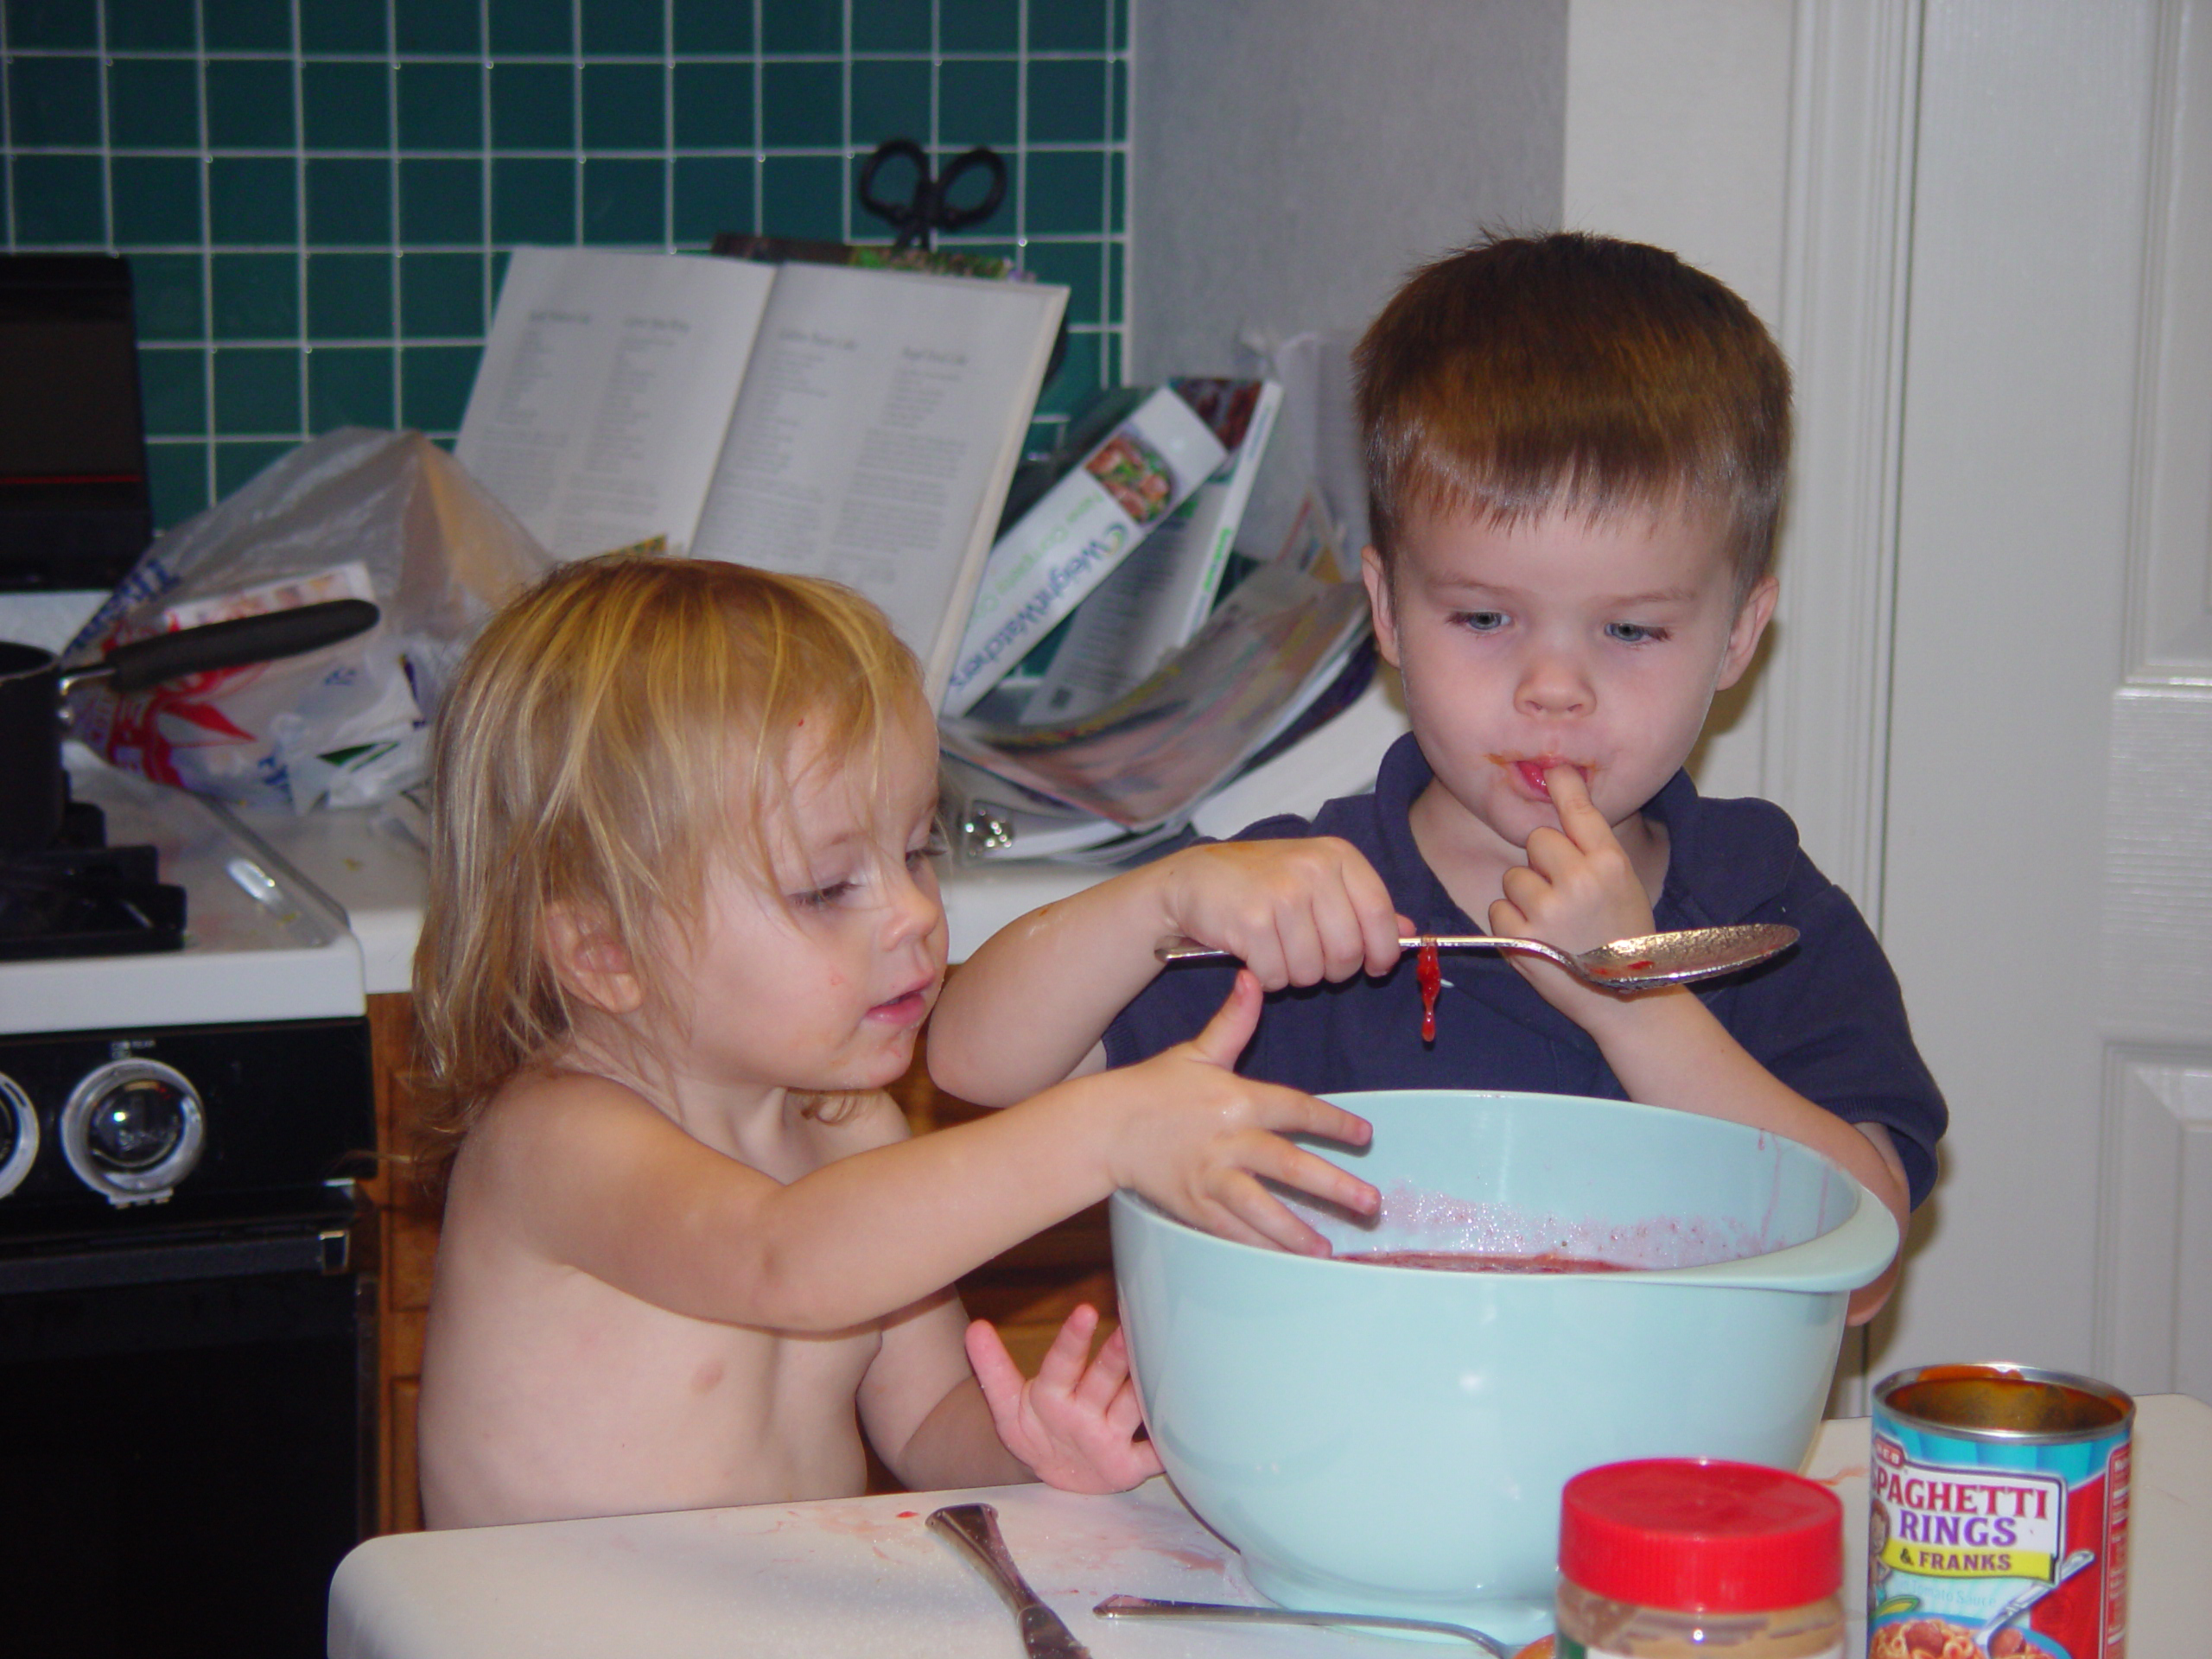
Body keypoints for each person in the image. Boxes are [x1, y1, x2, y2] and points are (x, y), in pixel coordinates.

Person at [929, 232, 1944, 1324]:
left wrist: (1637, 1008)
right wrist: (1162, 899)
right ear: (1386, 611)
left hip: (1668, 1484)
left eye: (1632, 630)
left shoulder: (1761, 909)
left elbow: (1861, 1267)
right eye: (1484, 617)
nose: (1553, 687)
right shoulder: (1299, 903)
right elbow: (976, 1062)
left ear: (1739, 635)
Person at [409, 555, 1380, 1529]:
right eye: (827, 887)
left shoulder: (847, 1129)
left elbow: (925, 1424)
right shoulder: (555, 1143)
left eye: (916, 850)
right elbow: (780, 1259)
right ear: (604, 949)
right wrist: (1102, 1129)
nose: (913, 913)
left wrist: (1029, 1444)